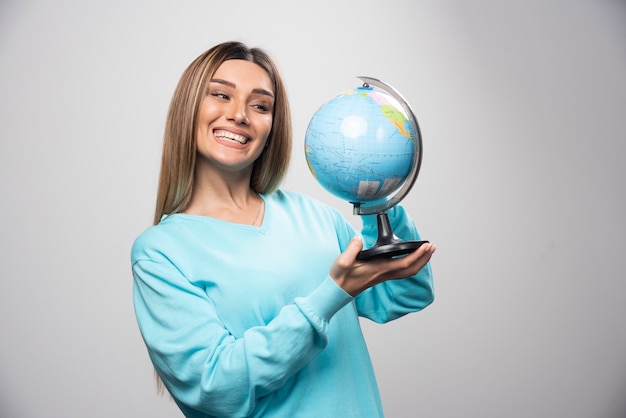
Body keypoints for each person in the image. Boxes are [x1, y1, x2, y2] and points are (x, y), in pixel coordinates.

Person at [131, 41, 436, 418]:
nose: (239, 115)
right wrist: (332, 294)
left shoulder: (314, 216)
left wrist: (378, 197)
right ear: (189, 108)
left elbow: (406, 295)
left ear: (271, 127)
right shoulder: (161, 252)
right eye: (221, 95)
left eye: (260, 105)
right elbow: (215, 389)